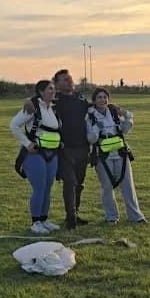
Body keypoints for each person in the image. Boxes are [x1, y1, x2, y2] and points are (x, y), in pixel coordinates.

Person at [23, 70, 91, 230]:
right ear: (57, 83)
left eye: (70, 79)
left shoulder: (80, 97)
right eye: (65, 80)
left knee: (79, 183)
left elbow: (92, 107)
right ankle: (71, 218)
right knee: (70, 182)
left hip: (82, 146)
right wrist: (28, 100)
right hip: (64, 149)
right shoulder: (55, 99)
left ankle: (75, 213)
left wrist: (110, 105)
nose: (70, 81)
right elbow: (38, 99)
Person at [86, 87, 147, 225]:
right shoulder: (90, 116)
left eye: (104, 97)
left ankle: (135, 216)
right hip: (103, 156)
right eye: (99, 97)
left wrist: (126, 114)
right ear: (94, 101)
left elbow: (125, 129)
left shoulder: (114, 113)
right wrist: (97, 128)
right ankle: (111, 216)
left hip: (120, 153)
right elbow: (91, 138)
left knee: (128, 185)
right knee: (106, 187)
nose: (102, 100)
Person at [10, 80, 62, 234]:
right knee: (39, 188)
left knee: (47, 188)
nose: (52, 92)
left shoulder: (54, 108)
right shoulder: (32, 107)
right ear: (40, 92)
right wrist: (27, 144)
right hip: (35, 154)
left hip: (52, 154)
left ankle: (44, 219)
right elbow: (13, 125)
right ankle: (35, 222)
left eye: (53, 89)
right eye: (49, 89)